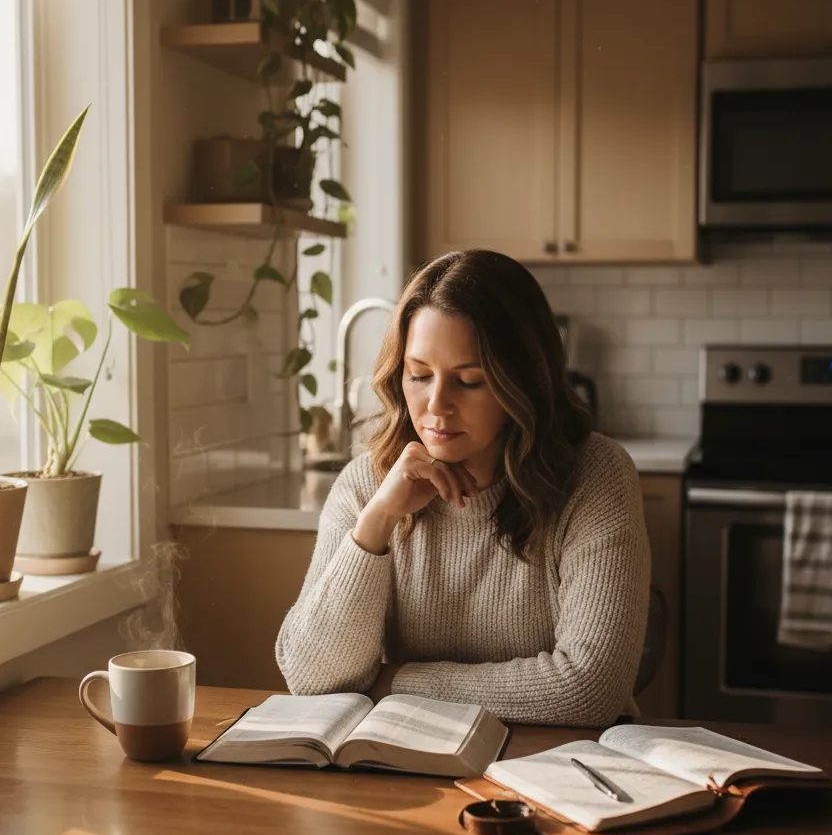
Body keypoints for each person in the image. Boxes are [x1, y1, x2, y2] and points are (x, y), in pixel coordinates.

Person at [275, 249, 650, 726]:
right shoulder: (365, 485)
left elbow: (589, 690)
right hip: (415, 765)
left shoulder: (595, 476)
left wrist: (396, 682)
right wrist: (376, 522)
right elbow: (310, 677)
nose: (437, 404)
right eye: (419, 375)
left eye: (469, 381)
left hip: (566, 769)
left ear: (522, 382)